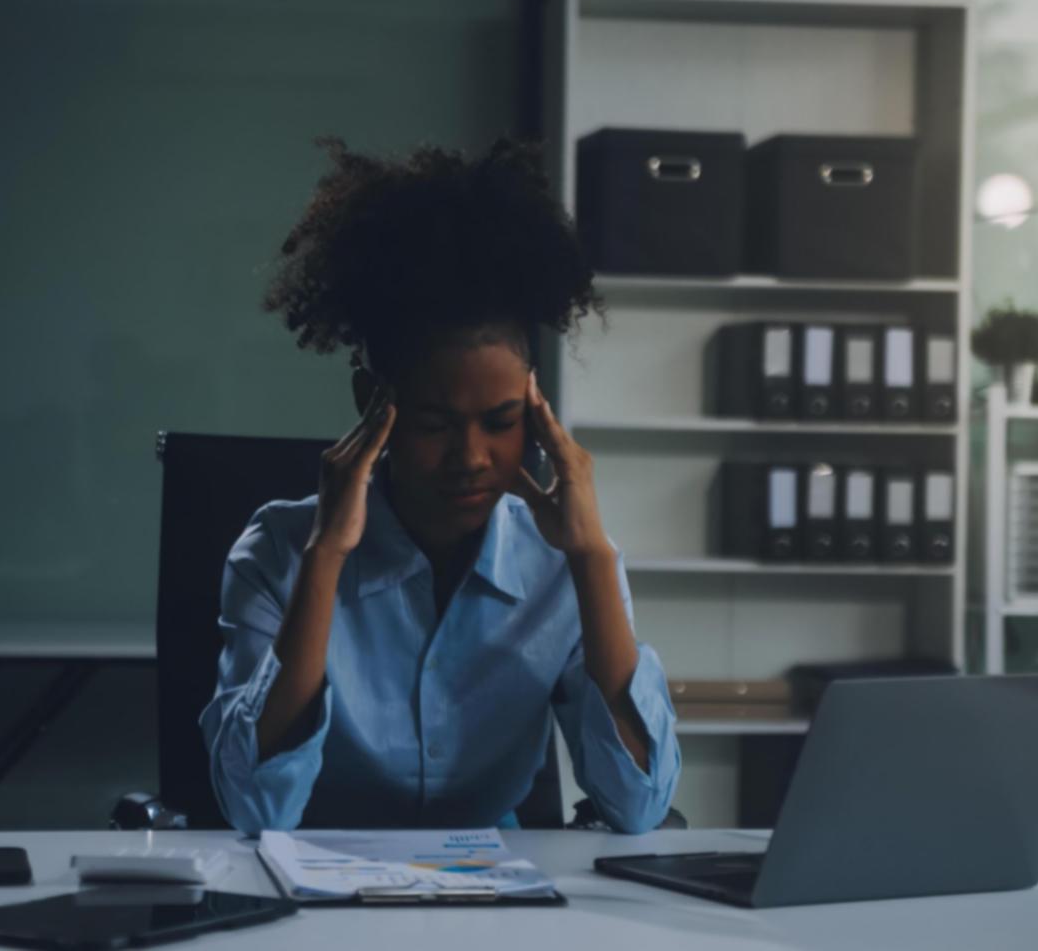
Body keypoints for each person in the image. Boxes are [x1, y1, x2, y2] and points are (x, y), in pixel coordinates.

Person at [199, 135, 680, 834]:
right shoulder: (278, 548)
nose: (472, 456)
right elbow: (254, 807)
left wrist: (592, 560)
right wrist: (326, 557)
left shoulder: (564, 568)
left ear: (536, 412)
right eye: (434, 422)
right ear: (374, 401)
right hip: (321, 902)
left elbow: (640, 808)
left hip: (499, 907)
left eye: (501, 420)